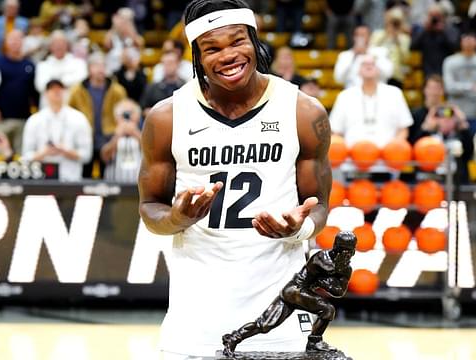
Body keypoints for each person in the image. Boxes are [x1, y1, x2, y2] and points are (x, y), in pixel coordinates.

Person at [138, 0, 332, 357]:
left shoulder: (303, 111)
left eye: (237, 41)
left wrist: (299, 229)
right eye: (212, 48)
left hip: (280, 307)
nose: (228, 55)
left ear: (255, 42)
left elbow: (319, 206)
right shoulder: (167, 118)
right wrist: (176, 219)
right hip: (195, 313)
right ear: (197, 55)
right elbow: (150, 208)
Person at [222, 231, 356, 356]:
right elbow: (323, 271)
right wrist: (332, 277)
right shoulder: (321, 257)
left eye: (350, 251)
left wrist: (333, 277)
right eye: (344, 250)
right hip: (295, 290)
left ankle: (234, 338)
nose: (348, 255)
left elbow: (339, 291)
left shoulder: (346, 268)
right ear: (336, 247)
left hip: (301, 293)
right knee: (327, 309)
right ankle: (314, 342)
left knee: (265, 324)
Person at [329, 54, 413, 147]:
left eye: (372, 63)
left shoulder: (394, 93)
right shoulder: (345, 96)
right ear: (358, 70)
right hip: (352, 158)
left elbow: (404, 129)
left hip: (386, 158)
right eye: (364, 64)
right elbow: (336, 132)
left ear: (378, 69)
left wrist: (393, 148)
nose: (369, 66)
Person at [68, 52, 128, 179]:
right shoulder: (77, 91)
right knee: (84, 176)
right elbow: (69, 113)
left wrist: (118, 133)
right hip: (85, 136)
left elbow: (124, 113)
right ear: (89, 69)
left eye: (103, 66)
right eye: (96, 66)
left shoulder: (118, 91)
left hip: (108, 137)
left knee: (107, 177)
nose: (100, 69)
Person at [21, 79, 92, 182]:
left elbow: (86, 155)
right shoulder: (34, 120)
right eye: (52, 89)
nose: (56, 92)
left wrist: (65, 151)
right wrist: (44, 153)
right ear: (45, 94)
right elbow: (25, 157)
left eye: (60, 89)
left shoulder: (79, 119)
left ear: (66, 92)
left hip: (71, 178)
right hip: (41, 180)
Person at [0, 29, 37, 154]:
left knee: (22, 156)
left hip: (23, 119)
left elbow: (34, 92)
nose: (15, 42)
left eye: (18, 39)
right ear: (6, 42)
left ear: (23, 42)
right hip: (0, 119)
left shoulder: (29, 65)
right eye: (12, 39)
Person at [442, 31, 476, 136]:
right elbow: (449, 88)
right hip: (454, 114)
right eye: (466, 39)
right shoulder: (450, 61)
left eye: (472, 39)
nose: (469, 42)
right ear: (461, 42)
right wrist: (470, 87)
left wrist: (459, 88)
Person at [413, 104, 474, 184]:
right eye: (441, 117)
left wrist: (462, 122)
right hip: (433, 182)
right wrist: (427, 125)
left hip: (457, 182)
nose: (446, 120)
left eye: (450, 118)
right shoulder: (428, 138)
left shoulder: (462, 136)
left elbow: (470, 151)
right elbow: (415, 149)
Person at [34, 30, 87, 108]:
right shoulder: (42, 65)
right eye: (55, 43)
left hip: (72, 110)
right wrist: (67, 82)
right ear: (50, 46)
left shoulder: (79, 63)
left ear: (67, 45)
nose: (59, 46)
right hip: (48, 111)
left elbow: (82, 81)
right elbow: (41, 86)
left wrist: (55, 82)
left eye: (62, 43)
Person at [410, 4, 459, 77]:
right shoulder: (424, 30)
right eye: (431, 16)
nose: (434, 19)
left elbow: (454, 46)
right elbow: (412, 47)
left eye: (437, 16)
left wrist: (443, 30)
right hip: (427, 70)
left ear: (443, 17)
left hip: (446, 69)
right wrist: (425, 29)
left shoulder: (450, 29)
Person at [101, 99, 142, 183]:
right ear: (116, 117)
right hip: (114, 184)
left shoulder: (145, 133)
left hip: (139, 184)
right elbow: (104, 157)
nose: (127, 117)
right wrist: (117, 136)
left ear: (138, 116)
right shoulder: (110, 133)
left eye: (131, 113)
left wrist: (135, 133)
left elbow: (152, 152)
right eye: (123, 114)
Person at [369, 7, 410, 87]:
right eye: (392, 22)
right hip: (378, 74)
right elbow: (371, 51)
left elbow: (405, 59)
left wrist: (397, 40)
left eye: (396, 23)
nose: (394, 25)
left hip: (395, 76)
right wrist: (386, 35)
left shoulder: (404, 39)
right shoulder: (378, 34)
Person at [139, 50, 185, 117]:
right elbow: (143, 109)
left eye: (171, 63)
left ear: (178, 64)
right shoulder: (152, 88)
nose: (168, 66)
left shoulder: (185, 87)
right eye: (165, 63)